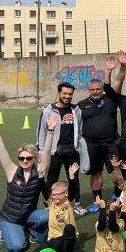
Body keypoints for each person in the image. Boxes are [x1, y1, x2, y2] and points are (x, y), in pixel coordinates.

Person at [0, 114, 55, 252]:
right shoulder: (11, 170)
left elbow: (46, 152)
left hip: (29, 215)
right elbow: (2, 150)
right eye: (21, 158)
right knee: (17, 247)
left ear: (34, 159)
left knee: (53, 214)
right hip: (10, 218)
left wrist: (51, 131)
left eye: (29, 158)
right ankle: (5, 233)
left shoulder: (40, 172)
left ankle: (30, 230)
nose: (24, 161)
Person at [37, 82, 85, 215]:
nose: (67, 96)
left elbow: (80, 129)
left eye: (70, 94)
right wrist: (42, 151)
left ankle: (75, 203)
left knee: (73, 178)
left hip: (72, 151)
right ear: (59, 93)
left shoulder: (77, 110)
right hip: (53, 152)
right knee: (51, 180)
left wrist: (78, 147)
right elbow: (41, 132)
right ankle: (48, 205)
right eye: (64, 93)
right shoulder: (48, 111)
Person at [79, 76, 119, 213]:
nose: (96, 91)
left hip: (111, 143)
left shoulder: (111, 99)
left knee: (116, 171)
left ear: (102, 89)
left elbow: (118, 82)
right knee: (96, 174)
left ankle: (117, 196)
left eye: (98, 89)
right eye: (93, 89)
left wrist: (113, 70)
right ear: (88, 90)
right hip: (92, 145)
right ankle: (98, 201)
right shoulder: (81, 105)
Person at [31, 163, 80, 252]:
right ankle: (60, 251)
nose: (54, 197)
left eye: (57, 195)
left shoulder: (69, 203)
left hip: (67, 238)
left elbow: (71, 191)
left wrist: (71, 177)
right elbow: (44, 190)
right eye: (53, 195)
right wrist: (40, 176)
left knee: (69, 228)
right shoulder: (51, 203)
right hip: (54, 240)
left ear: (65, 194)